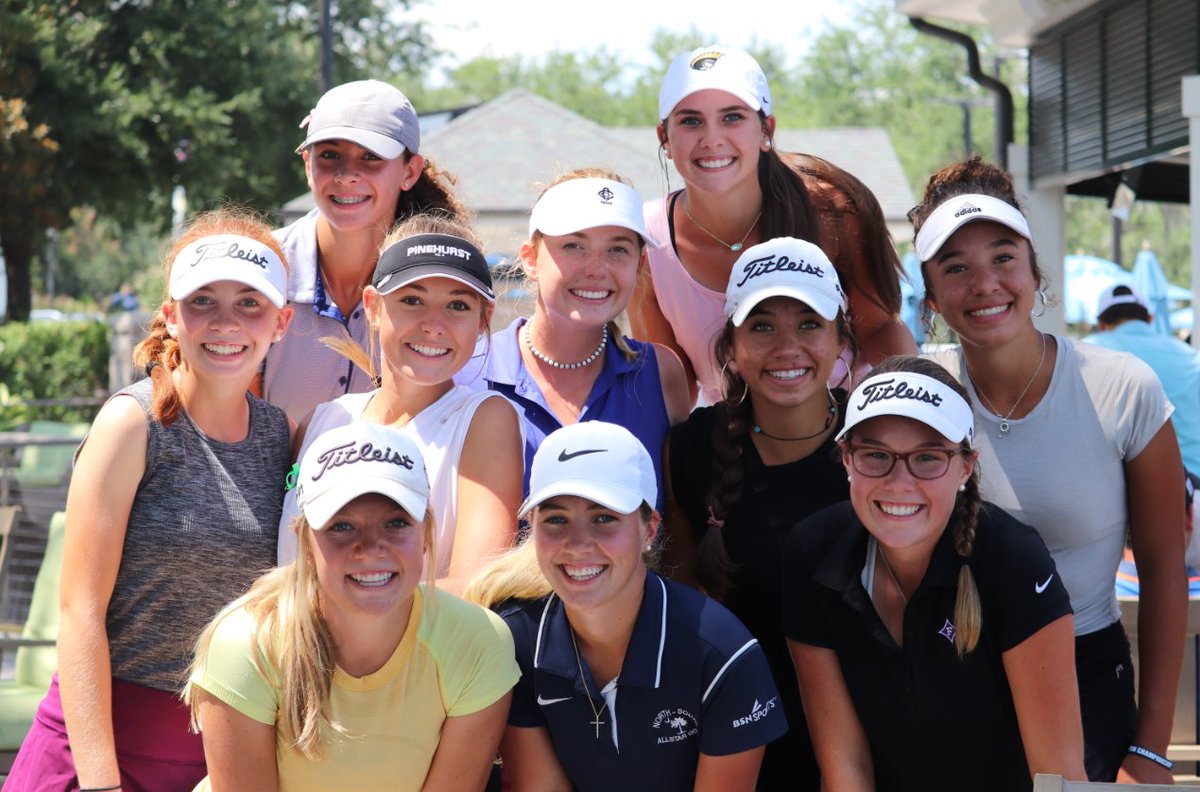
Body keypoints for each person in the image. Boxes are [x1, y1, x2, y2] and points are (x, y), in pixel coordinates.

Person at [915, 156, 1187, 783]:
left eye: (1003, 257)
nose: (984, 284)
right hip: (951, 678)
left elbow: (1164, 569)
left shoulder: (1124, 387)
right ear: (931, 296)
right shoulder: (918, 395)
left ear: (1035, 270)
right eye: (956, 267)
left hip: (1087, 678)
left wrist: (1150, 748)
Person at [5, 211, 295, 791]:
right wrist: (100, 783)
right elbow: (79, 611)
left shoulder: (278, 435)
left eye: (250, 303)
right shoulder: (131, 423)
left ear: (281, 322)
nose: (226, 322)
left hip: (215, 757)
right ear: (170, 315)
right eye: (203, 301)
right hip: (99, 750)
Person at [783, 357, 1086, 790]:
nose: (899, 482)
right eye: (875, 455)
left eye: (927, 457)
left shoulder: (1012, 558)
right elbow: (846, 767)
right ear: (846, 459)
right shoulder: (813, 551)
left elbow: (1057, 777)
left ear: (965, 466)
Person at [186, 421, 518, 791]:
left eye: (396, 522)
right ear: (304, 542)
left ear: (426, 532)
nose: (372, 547)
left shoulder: (478, 641)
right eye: (342, 527)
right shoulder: (247, 642)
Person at [465, 421, 785, 792]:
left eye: (604, 518)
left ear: (649, 529)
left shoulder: (723, 654)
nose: (578, 544)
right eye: (556, 519)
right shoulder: (514, 640)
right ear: (531, 527)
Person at [663, 235, 853, 789]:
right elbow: (681, 603)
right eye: (763, 325)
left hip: (860, 742)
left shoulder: (878, 447)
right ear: (732, 344)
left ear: (841, 336)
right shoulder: (692, 450)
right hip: (734, 742)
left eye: (809, 324)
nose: (787, 347)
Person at [631, 44, 914, 406]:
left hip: (845, 438)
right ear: (664, 139)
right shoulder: (646, 239)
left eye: (732, 117)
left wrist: (891, 433)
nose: (712, 138)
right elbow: (670, 384)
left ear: (766, 129)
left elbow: (882, 330)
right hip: (727, 449)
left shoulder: (831, 211)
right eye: (690, 120)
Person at [276, 213, 523, 594]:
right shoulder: (322, 421)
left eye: (457, 306)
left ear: (483, 318)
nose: (433, 324)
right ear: (372, 307)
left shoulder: (485, 420)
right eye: (412, 300)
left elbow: (477, 588)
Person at [456, 169, 690, 501]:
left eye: (617, 249)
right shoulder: (466, 372)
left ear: (639, 264)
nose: (596, 268)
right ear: (530, 260)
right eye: (574, 246)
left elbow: (677, 525)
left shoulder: (661, 373)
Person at [261, 79, 468, 423]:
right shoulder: (262, 266)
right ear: (306, 165)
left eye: (370, 157)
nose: (346, 175)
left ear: (410, 171)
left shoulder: (441, 274)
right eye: (329, 155)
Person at [1085, 283, 1200, 473]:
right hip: (1193, 482)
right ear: (1150, 318)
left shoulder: (1084, 353)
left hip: (1118, 489)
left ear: (1101, 325)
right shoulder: (1191, 357)